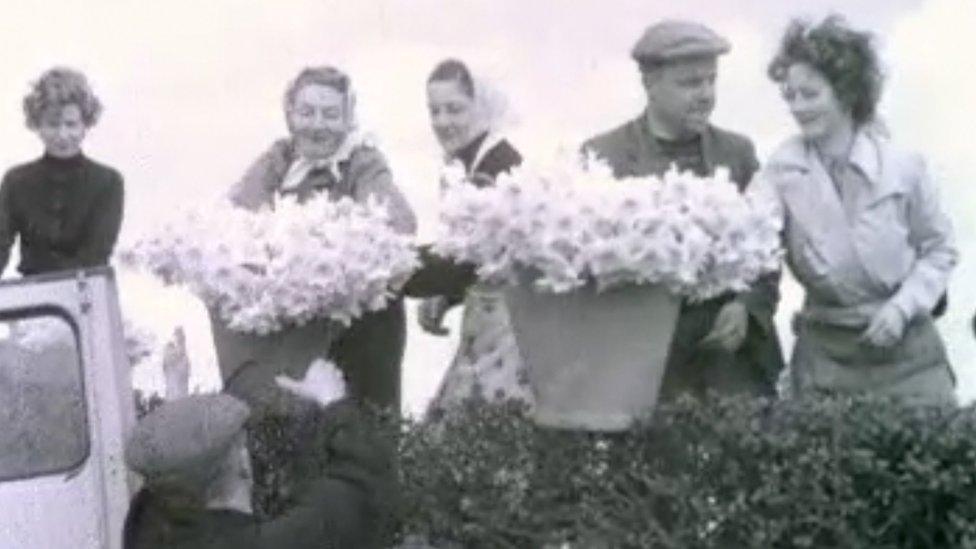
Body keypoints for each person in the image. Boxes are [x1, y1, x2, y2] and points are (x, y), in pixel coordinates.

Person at [752, 16, 957, 403]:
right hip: (825, 359)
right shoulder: (779, 173)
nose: (798, 107)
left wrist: (901, 308)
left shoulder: (904, 167)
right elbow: (748, 238)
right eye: (790, 96)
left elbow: (939, 250)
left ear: (846, 94)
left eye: (810, 94)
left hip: (909, 358)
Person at [581, 20, 785, 400]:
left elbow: (768, 252)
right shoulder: (604, 159)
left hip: (733, 369)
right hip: (646, 375)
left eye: (711, 81)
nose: (706, 94)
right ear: (650, 84)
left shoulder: (737, 154)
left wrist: (745, 307)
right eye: (691, 83)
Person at [227, 66, 417, 411]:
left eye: (330, 114)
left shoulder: (363, 162)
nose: (317, 125)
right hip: (294, 329)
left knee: (357, 434)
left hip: (359, 330)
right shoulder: (279, 160)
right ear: (289, 114)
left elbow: (397, 220)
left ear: (348, 118)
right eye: (306, 112)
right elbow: (238, 210)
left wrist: (328, 239)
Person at [123, 359, 395, 549]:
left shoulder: (146, 525)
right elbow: (362, 490)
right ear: (243, 463)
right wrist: (333, 401)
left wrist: (177, 399)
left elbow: (172, 471)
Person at [413, 59, 533, 414]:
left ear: (481, 107)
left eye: (454, 109)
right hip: (489, 320)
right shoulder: (465, 164)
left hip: (513, 327)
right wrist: (446, 295)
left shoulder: (500, 166)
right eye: (434, 111)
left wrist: (394, 270)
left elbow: (473, 255)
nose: (442, 122)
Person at [0, 67, 124, 277]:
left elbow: (96, 254)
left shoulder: (108, 182)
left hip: (86, 294)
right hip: (32, 298)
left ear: (86, 124)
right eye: (52, 124)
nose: (62, 135)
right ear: (37, 125)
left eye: (71, 124)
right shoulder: (15, 182)